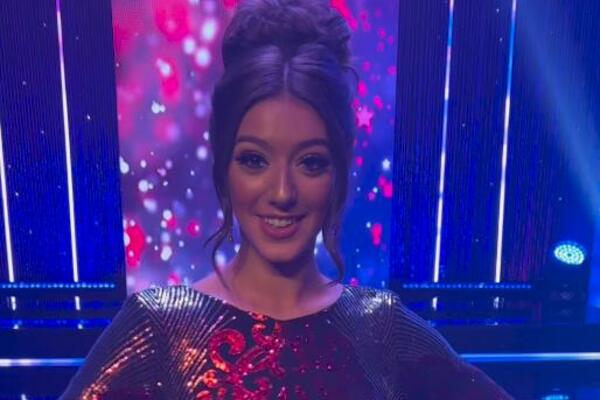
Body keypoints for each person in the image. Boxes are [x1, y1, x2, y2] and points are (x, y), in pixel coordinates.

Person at [60, 0, 513, 398]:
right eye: (255, 160)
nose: (282, 192)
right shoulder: (159, 328)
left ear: (338, 171)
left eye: (310, 163)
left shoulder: (381, 327)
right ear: (224, 165)